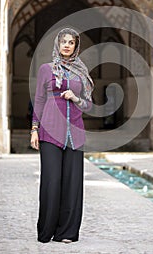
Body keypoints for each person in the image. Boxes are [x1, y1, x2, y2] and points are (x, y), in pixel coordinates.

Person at [30, 28, 94, 244]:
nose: (67, 45)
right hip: (49, 131)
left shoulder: (81, 72)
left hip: (75, 133)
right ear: (58, 44)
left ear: (76, 47)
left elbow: (89, 104)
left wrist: (76, 98)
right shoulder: (46, 69)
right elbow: (39, 99)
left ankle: (66, 232)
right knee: (51, 181)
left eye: (71, 42)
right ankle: (46, 231)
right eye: (64, 42)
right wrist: (34, 129)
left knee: (72, 184)